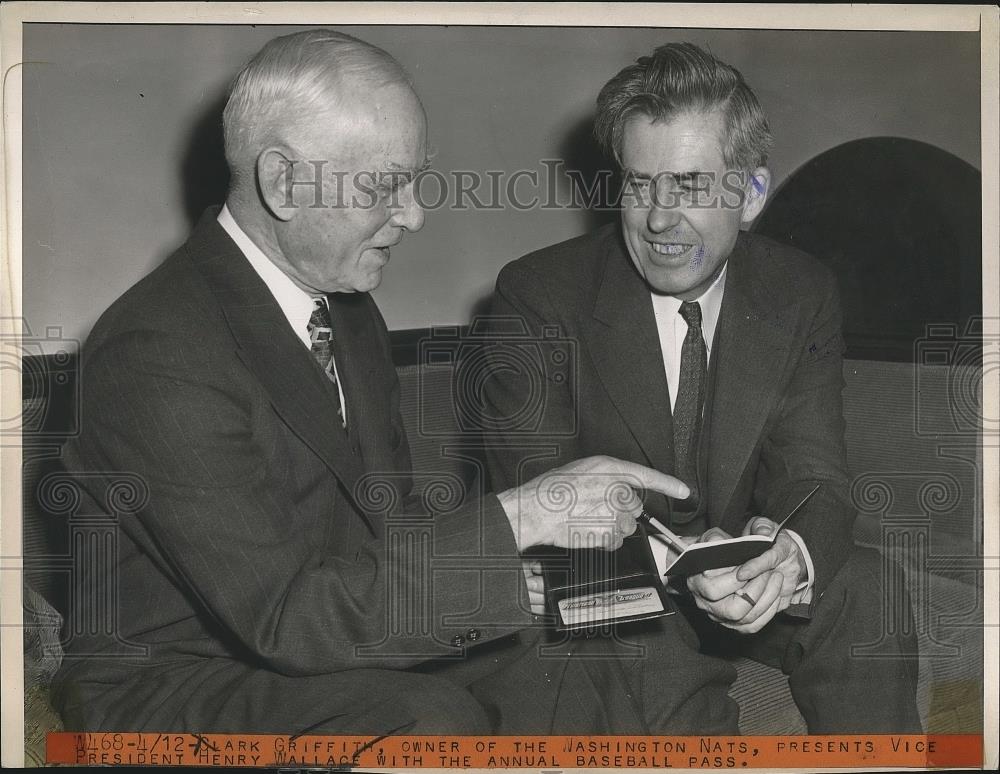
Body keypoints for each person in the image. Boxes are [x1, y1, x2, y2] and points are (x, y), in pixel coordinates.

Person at [48, 28, 720, 737]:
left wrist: (508, 580)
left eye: (414, 181)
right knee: (429, 722)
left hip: (323, 636)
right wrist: (527, 514)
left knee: (608, 637)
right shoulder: (156, 350)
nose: (414, 215)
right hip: (171, 682)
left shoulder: (348, 312)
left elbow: (384, 526)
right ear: (283, 181)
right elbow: (281, 619)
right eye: (385, 186)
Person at [484, 42, 922, 732]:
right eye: (639, 184)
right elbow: (548, 504)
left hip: (741, 574)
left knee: (867, 585)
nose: (659, 220)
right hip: (604, 579)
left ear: (749, 195)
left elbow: (817, 475)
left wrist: (787, 558)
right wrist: (680, 564)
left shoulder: (800, 290)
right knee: (639, 633)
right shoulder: (536, 296)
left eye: (689, 186)